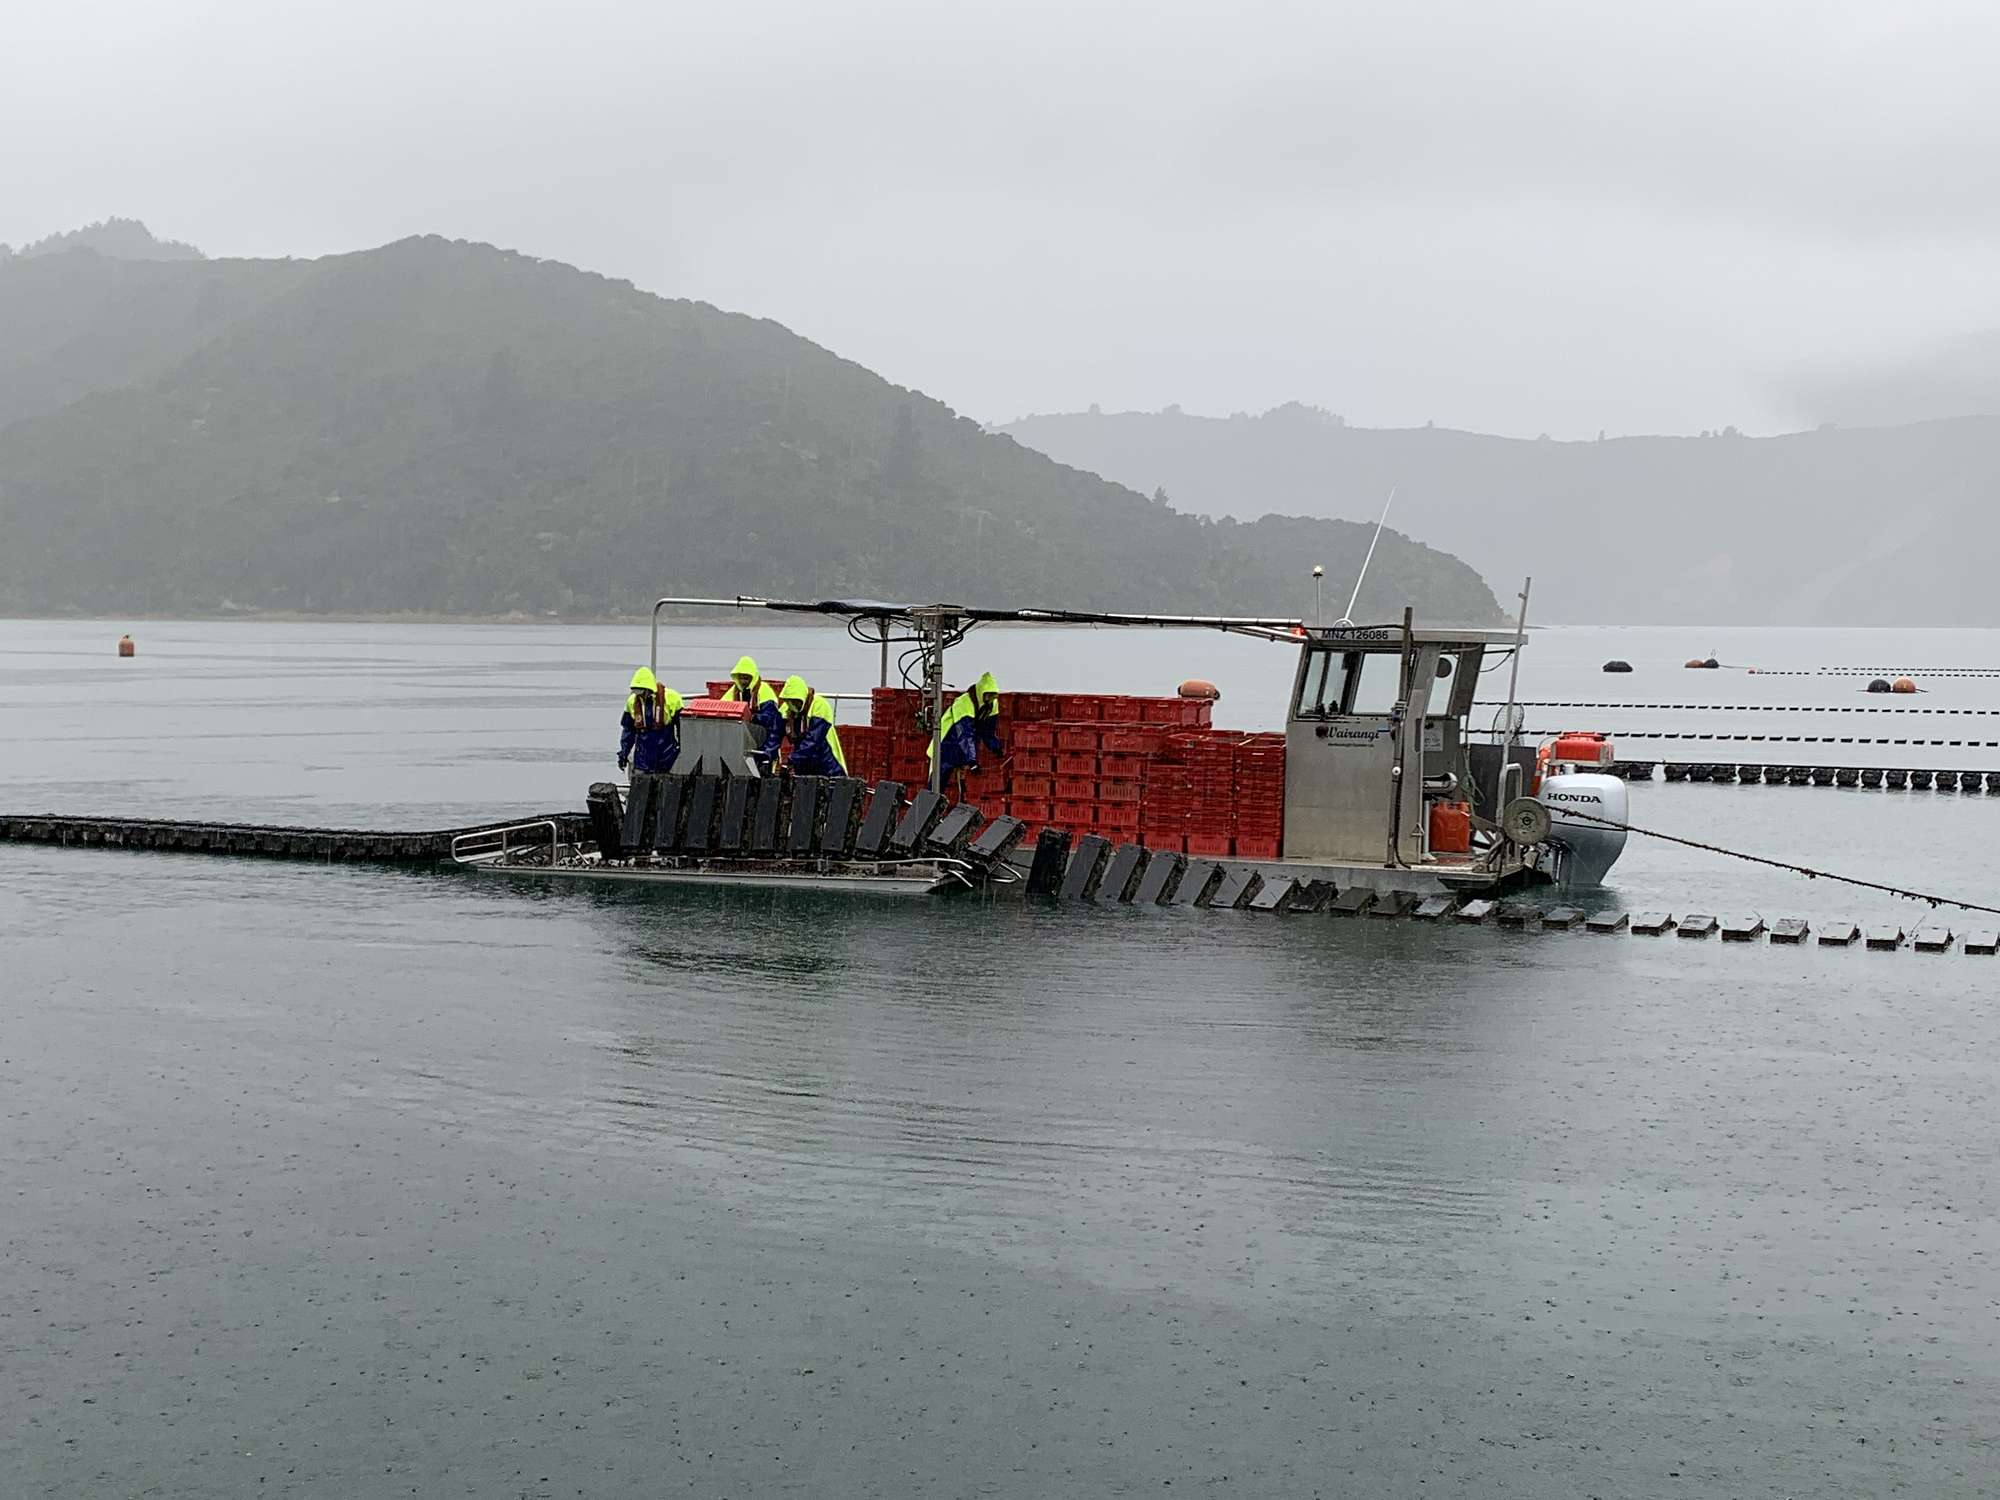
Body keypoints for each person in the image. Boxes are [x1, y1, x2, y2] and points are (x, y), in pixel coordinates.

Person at [930, 671, 1003, 789]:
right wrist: (972, 760)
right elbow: (964, 734)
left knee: (953, 785)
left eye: (993, 696)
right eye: (988, 695)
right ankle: (929, 799)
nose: (990, 699)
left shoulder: (991, 705)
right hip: (944, 743)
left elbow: (987, 731)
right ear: (982, 693)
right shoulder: (964, 703)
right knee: (936, 783)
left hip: (961, 749)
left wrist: (995, 747)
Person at [721, 654, 784, 773]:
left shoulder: (764, 692)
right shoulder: (734, 692)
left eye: (746, 678)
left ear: (753, 678)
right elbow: (721, 708)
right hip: (741, 739)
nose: (743, 681)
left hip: (762, 738)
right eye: (741, 678)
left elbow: (772, 722)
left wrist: (752, 717)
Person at [618, 668, 684, 776]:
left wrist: (683, 749)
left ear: (648, 689)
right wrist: (623, 754)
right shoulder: (632, 702)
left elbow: (683, 727)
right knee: (640, 780)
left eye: (641, 692)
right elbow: (628, 731)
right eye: (636, 692)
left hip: (667, 754)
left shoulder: (672, 698)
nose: (639, 695)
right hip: (642, 758)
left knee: (666, 781)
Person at [777, 675, 846, 777]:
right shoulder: (787, 709)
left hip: (829, 765)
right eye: (789, 701)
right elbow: (775, 733)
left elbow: (813, 741)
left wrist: (792, 760)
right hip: (804, 768)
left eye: (796, 701)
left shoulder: (819, 705)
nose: (793, 704)